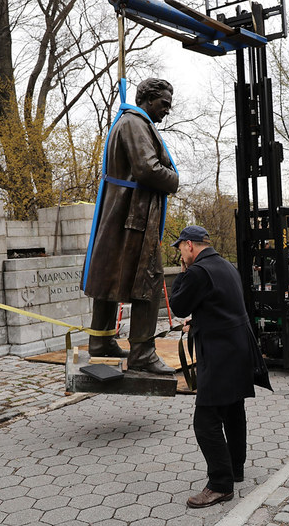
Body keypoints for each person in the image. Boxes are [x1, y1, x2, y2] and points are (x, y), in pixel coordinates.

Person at [81, 78, 178, 374]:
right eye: (164, 104)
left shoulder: (128, 122)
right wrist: (173, 179)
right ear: (148, 99)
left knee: (110, 278)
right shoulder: (136, 123)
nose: (167, 111)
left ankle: (100, 342)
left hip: (124, 213)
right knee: (148, 280)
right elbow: (147, 169)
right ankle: (143, 354)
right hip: (133, 217)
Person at [168, 226, 255, 509]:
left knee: (205, 421)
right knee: (232, 410)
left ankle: (220, 484)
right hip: (238, 348)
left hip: (219, 354)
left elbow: (178, 304)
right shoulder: (227, 266)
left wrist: (182, 271)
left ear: (190, 245)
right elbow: (223, 304)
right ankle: (235, 469)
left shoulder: (197, 272)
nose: (180, 253)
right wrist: (200, 320)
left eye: (181, 248)